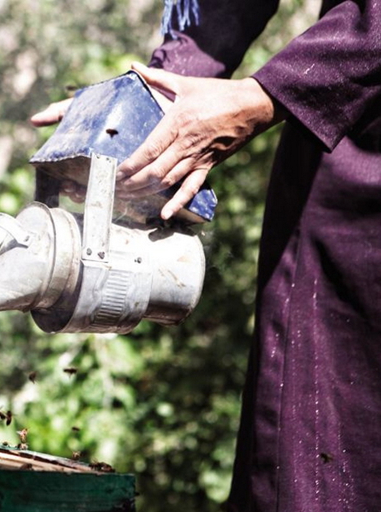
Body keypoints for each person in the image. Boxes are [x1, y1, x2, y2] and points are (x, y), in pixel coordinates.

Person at [31, 1, 381, 510]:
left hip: (357, 131)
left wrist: (266, 95)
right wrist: (148, 100)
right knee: (318, 452)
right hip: (340, 171)